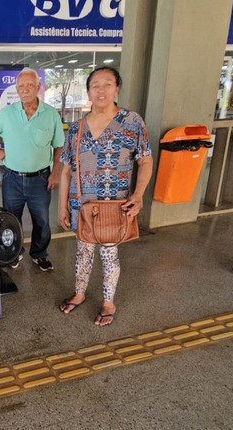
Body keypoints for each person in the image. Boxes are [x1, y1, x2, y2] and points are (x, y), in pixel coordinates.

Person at [57, 67, 153, 326]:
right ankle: (79, 293)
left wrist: (139, 195)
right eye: (95, 85)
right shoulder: (76, 129)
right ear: (88, 92)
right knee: (83, 252)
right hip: (82, 205)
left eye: (107, 84)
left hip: (114, 205)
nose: (101, 90)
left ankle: (108, 301)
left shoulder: (131, 121)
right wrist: (62, 207)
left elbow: (145, 160)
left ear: (117, 89)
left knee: (109, 255)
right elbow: (65, 171)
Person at [0, 67, 65, 271]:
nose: (25, 89)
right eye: (21, 86)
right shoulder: (7, 114)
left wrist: (55, 172)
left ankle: (39, 254)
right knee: (11, 220)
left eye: (30, 85)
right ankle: (15, 252)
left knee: (42, 221)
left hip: (40, 179)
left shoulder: (51, 114)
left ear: (38, 87)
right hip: (12, 179)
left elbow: (59, 145)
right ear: (17, 89)